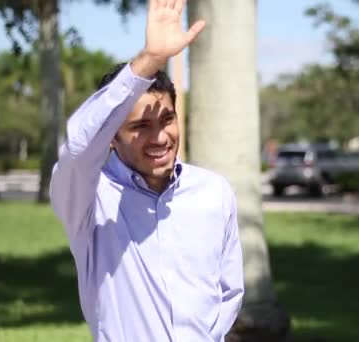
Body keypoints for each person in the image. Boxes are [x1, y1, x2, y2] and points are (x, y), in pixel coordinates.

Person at [49, 1, 244, 341]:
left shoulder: (214, 192)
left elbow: (229, 293)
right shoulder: (88, 200)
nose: (159, 138)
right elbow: (78, 148)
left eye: (167, 120)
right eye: (140, 126)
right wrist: (149, 61)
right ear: (111, 137)